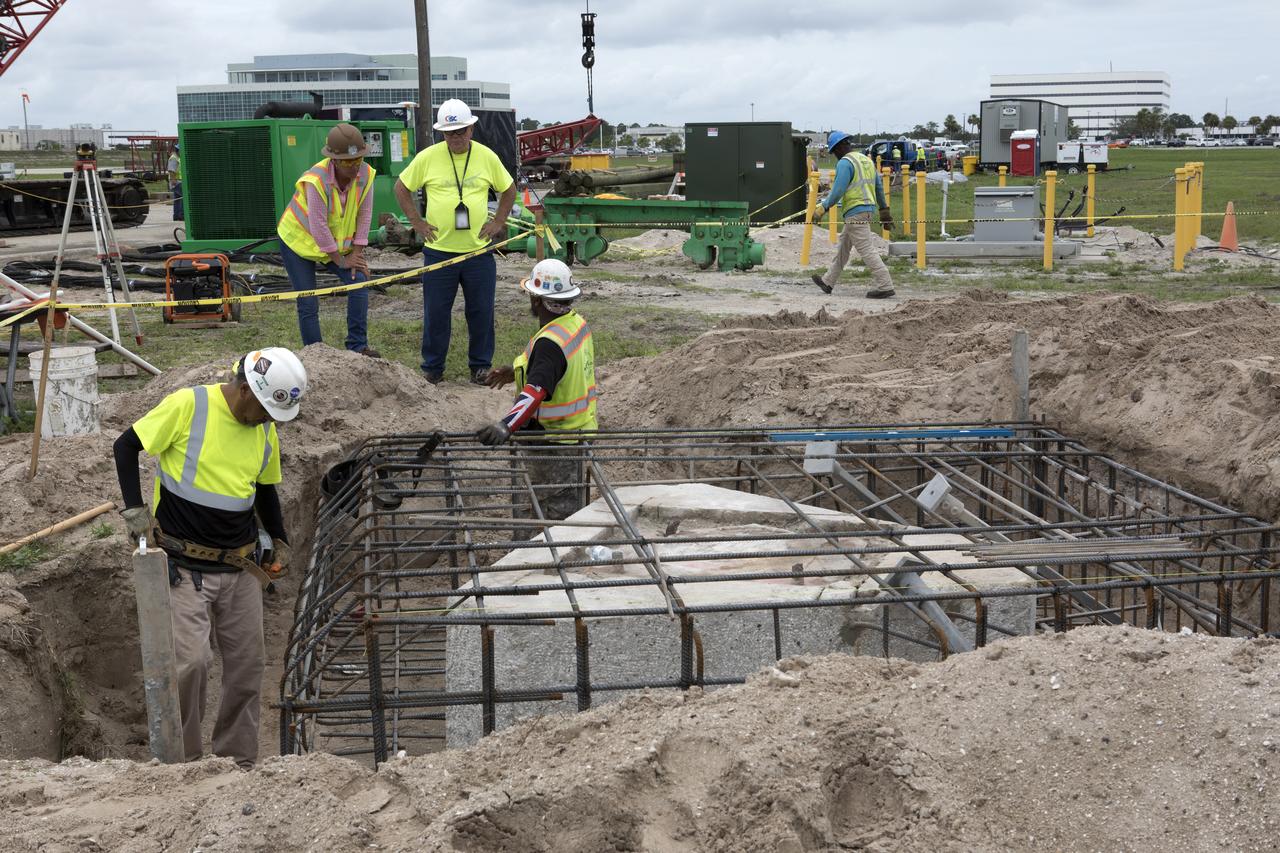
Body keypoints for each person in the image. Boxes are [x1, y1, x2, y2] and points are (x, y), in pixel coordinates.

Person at [112, 347, 308, 769]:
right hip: (183, 568)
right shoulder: (189, 406)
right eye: (265, 411)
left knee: (247, 666)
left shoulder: (263, 429)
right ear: (242, 391)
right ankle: (184, 764)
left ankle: (238, 761)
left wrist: (280, 537)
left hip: (239, 568)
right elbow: (125, 447)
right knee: (191, 664)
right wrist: (134, 511)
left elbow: (265, 489)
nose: (269, 421)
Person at [394, 98, 516, 385]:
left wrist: (498, 222)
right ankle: (433, 368)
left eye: (461, 131)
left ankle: (480, 367)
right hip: (439, 254)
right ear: (442, 134)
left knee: (481, 312)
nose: (456, 138)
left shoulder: (487, 156)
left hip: (478, 253)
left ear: (471, 129)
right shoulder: (428, 157)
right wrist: (417, 222)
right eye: (450, 133)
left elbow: (509, 190)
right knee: (436, 313)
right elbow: (401, 187)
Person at [476, 259, 597, 521]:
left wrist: (506, 425)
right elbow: (557, 370)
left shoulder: (549, 343)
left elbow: (537, 390)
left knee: (551, 510)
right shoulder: (575, 324)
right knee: (566, 503)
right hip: (576, 431)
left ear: (536, 300)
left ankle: (536, 555)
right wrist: (515, 371)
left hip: (553, 441)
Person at [276, 123, 380, 358]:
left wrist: (356, 255)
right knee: (308, 301)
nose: (354, 167)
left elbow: (365, 215)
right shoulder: (316, 180)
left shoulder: (366, 174)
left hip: (334, 244)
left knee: (359, 281)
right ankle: (316, 354)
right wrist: (340, 260)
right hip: (299, 242)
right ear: (334, 159)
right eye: (348, 162)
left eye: (358, 160)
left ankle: (357, 346)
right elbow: (318, 225)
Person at [810, 130, 896, 299]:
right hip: (866, 210)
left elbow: (838, 191)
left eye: (834, 151)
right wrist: (884, 211)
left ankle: (885, 285)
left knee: (866, 250)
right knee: (843, 248)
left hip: (856, 213)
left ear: (841, 146)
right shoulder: (866, 161)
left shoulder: (845, 163)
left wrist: (823, 208)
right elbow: (879, 188)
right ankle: (828, 282)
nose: (835, 155)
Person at [167, 143, 183, 222]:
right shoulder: (174, 158)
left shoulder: (177, 158)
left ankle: (176, 216)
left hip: (178, 181)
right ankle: (181, 215)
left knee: (177, 199)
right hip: (177, 182)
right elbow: (171, 170)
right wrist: (173, 180)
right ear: (179, 150)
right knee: (183, 198)